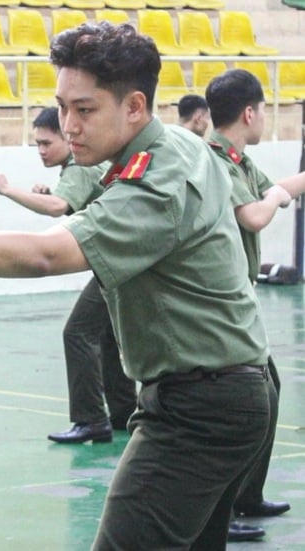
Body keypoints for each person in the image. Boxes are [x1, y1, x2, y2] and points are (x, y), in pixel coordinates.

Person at [0, 22, 273, 549]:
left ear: (133, 106)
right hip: (222, 393)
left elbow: (44, 255)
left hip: (199, 409)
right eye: (62, 107)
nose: (68, 125)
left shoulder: (157, 179)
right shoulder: (176, 145)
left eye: (84, 110)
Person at [0, 107, 136, 443]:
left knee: (78, 333)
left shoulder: (80, 169)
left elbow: (58, 207)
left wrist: (8, 190)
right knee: (109, 336)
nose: (41, 150)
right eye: (36, 145)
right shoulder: (82, 166)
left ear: (68, 139)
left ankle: (90, 420)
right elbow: (64, 202)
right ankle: (124, 412)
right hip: (124, 259)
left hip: (116, 261)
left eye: (45, 143)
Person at [205, 68, 305, 542]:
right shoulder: (216, 161)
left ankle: (245, 497)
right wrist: (280, 195)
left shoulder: (238, 159)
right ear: (249, 112)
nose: (264, 116)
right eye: (264, 110)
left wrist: (292, 184)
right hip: (217, 303)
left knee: (266, 389)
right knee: (240, 406)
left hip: (238, 300)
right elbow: (253, 214)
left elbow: (270, 188)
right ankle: (223, 512)